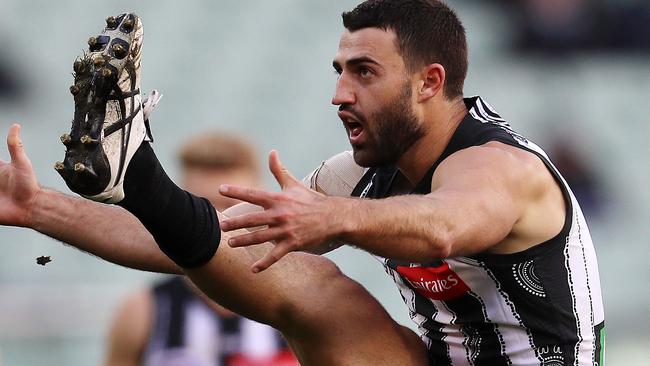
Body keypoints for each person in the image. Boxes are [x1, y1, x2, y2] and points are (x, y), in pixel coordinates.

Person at [0, 1, 604, 365]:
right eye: (339, 72)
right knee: (309, 283)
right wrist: (38, 209)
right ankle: (135, 176)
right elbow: (209, 243)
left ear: (429, 81)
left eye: (364, 73)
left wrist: (334, 217)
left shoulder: (502, 166)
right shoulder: (365, 176)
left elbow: (445, 226)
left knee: (320, 277)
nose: (341, 94)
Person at [105, 133, 298, 366]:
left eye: (231, 205)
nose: (217, 222)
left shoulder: (299, 308)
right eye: (199, 206)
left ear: (262, 204)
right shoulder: (143, 311)